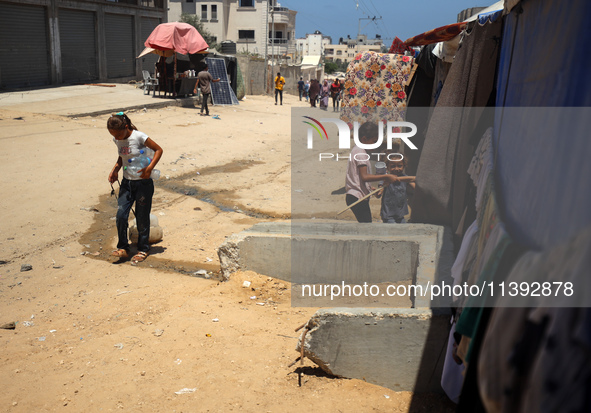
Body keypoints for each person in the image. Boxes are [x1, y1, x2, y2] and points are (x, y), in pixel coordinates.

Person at [107, 112, 163, 264]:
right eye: (114, 135)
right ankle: (123, 247)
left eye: (119, 134)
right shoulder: (117, 139)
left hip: (143, 184)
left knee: (142, 217)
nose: (117, 138)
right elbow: (122, 156)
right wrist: (115, 170)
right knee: (121, 215)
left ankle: (143, 249)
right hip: (127, 183)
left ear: (126, 127)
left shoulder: (139, 137)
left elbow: (159, 150)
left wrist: (149, 168)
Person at [345, 123, 400, 223]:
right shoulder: (361, 154)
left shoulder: (357, 150)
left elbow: (358, 177)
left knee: (365, 224)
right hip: (357, 197)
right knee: (366, 225)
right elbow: (364, 177)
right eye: (374, 141)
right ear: (364, 139)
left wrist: (370, 189)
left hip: (355, 195)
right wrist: (386, 176)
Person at [378, 157, 416, 223]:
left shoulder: (405, 177)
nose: (396, 168)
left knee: (403, 231)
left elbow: (415, 187)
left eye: (399, 166)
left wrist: (400, 179)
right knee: (392, 232)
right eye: (393, 166)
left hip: (400, 214)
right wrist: (378, 192)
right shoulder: (385, 178)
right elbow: (378, 194)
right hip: (388, 215)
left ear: (404, 166)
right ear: (387, 167)